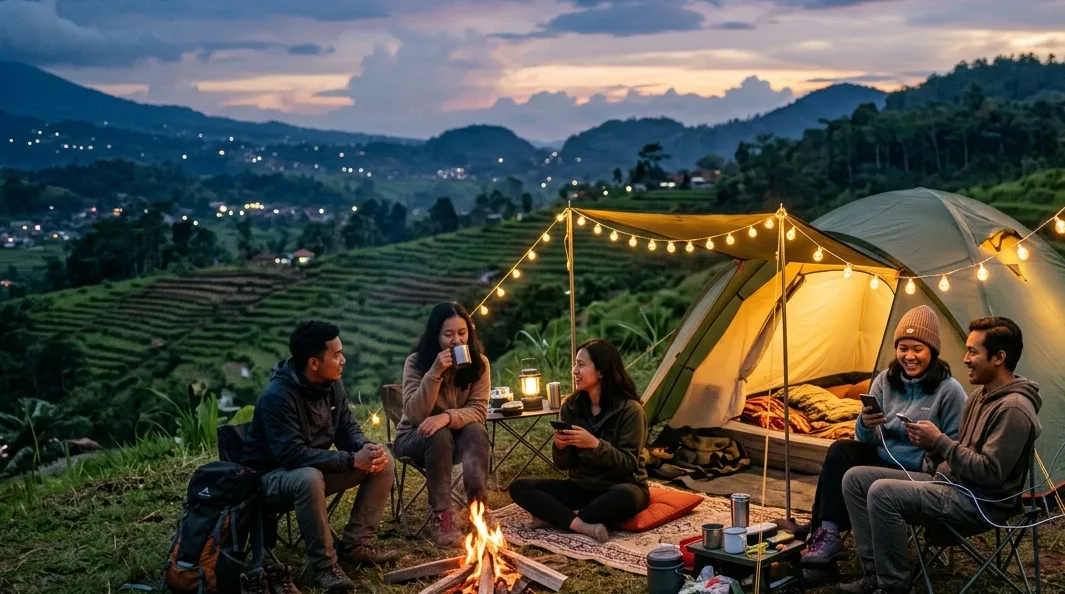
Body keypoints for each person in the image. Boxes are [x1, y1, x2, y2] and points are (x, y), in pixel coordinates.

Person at [839, 316, 1042, 594]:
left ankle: (893, 587)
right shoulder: (979, 397)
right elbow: (962, 454)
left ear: (998, 358)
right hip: (951, 483)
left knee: (883, 492)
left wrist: (939, 442)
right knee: (855, 479)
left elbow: (990, 475)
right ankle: (876, 575)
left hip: (980, 501)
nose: (965, 358)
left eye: (972, 351)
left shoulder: (1013, 409)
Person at [802, 306, 967, 567]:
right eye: (903, 348)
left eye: (917, 349)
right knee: (840, 450)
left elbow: (957, 446)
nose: (909, 356)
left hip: (921, 469)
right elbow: (864, 439)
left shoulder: (950, 391)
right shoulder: (885, 380)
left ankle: (820, 533)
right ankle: (829, 533)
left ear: (932, 352)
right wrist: (866, 424)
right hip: (883, 457)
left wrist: (931, 443)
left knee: (853, 475)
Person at [243, 321, 397, 594]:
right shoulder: (277, 396)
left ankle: (356, 544)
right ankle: (324, 566)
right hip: (270, 480)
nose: (343, 360)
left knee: (382, 463)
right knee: (309, 478)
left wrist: (366, 448)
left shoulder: (332, 385)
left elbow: (347, 429)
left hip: (312, 468)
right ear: (314, 363)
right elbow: (291, 455)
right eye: (336, 355)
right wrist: (351, 460)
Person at [509, 338, 650, 543]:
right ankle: (582, 524)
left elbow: (629, 464)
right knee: (520, 487)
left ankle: (560, 516)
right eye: (575, 364)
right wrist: (560, 447)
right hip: (583, 487)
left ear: (601, 371)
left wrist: (595, 445)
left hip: (622, 485)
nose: (575, 370)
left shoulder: (630, 410)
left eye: (581, 365)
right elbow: (565, 465)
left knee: (624, 499)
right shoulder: (571, 406)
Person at [394, 302, 492, 548]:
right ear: (436, 335)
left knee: (476, 430)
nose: (456, 340)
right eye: (448, 334)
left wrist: (446, 417)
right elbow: (415, 414)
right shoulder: (416, 363)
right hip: (414, 438)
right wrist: (435, 372)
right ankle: (442, 518)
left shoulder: (479, 364)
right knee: (438, 435)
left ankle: (478, 510)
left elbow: (478, 411)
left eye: (462, 333)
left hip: (457, 437)